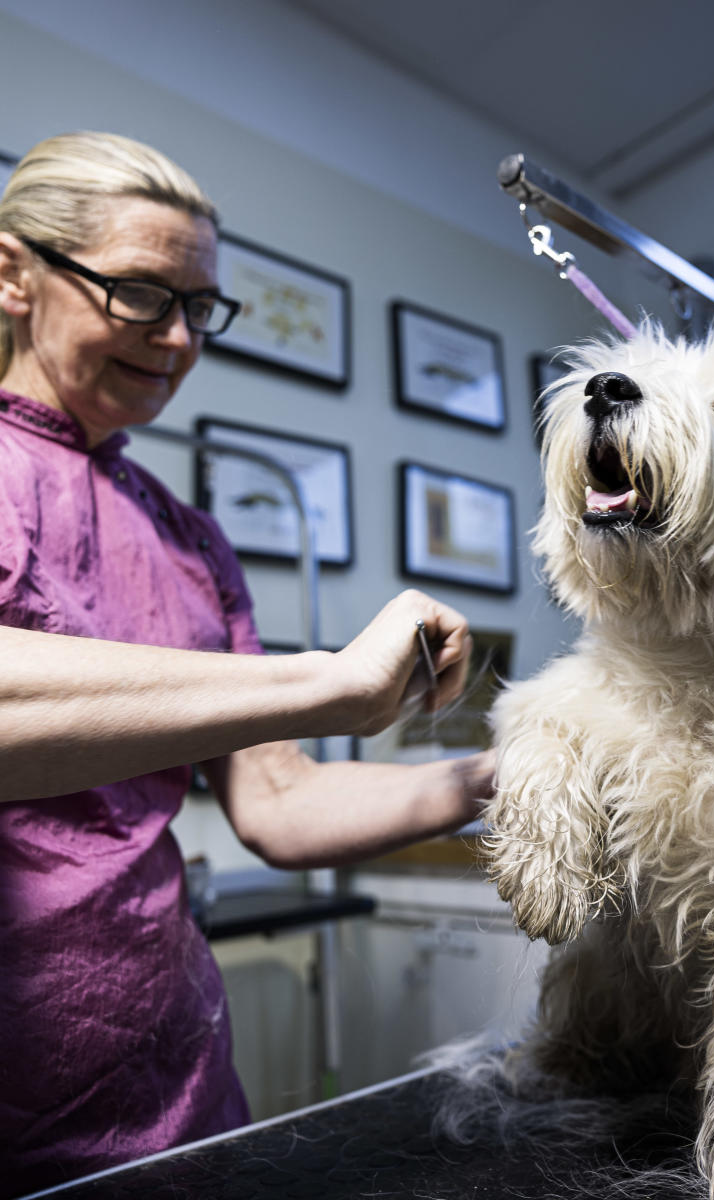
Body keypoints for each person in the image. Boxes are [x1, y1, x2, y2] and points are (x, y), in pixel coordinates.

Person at [0, 131, 495, 1196]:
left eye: (200, 308)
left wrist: (501, 777)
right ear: (13, 274)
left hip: (173, 1080)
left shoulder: (194, 543)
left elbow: (279, 802)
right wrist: (324, 679)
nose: (177, 339)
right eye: (141, 295)